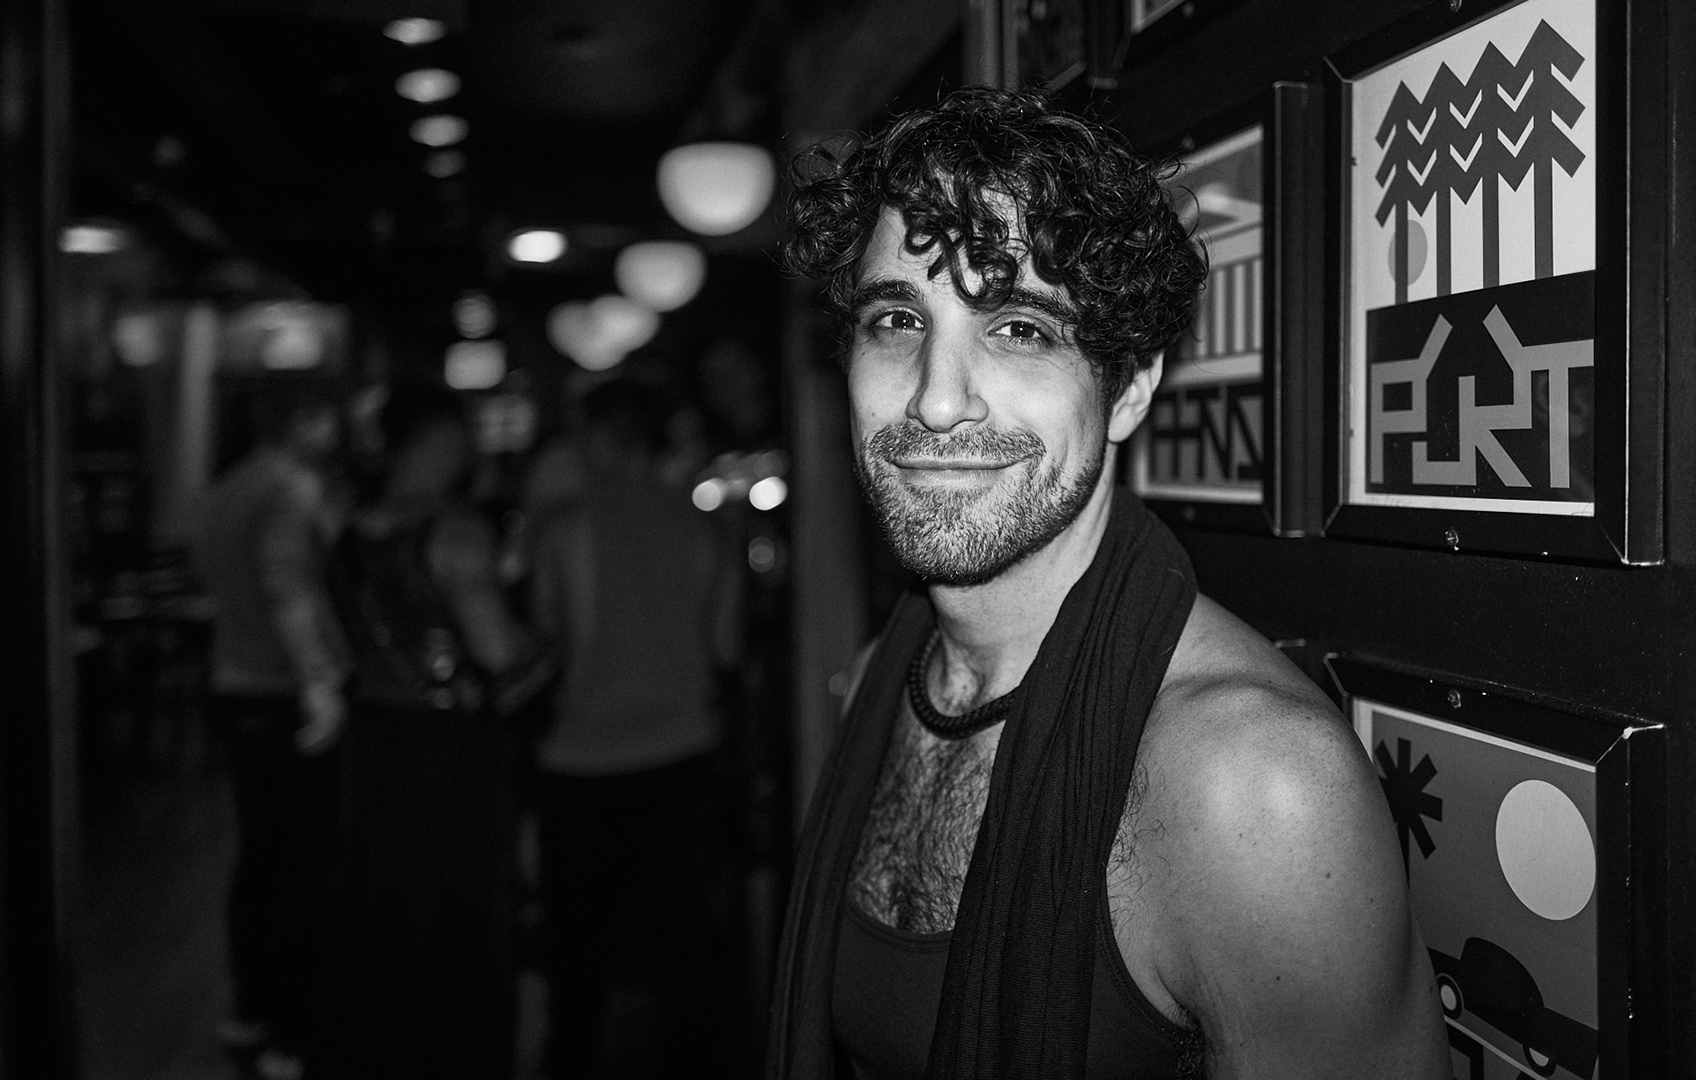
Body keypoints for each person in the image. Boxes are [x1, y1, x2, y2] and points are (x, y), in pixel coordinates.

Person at [768, 88, 1448, 1079]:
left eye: (1019, 329)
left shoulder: (1254, 786)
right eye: (897, 319)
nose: (937, 400)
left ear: (1128, 388)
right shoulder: (881, 679)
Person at [319, 384, 548, 1080]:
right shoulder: (455, 532)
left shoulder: (348, 530)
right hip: (450, 754)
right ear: (439, 443)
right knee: (462, 928)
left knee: (383, 924)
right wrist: (551, 648)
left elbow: (341, 648)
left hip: (373, 743)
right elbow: (500, 652)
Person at [527, 379, 744, 1078]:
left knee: (578, 949)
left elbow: (550, 638)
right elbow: (726, 648)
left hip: (582, 756)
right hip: (683, 750)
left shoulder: (563, 526)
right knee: (685, 943)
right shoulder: (706, 527)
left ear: (602, 439)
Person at [194, 389, 349, 1079]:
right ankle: (293, 1031)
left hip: (233, 681)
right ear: (304, 421)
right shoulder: (291, 487)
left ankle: (250, 1008)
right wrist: (319, 684)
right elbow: (288, 586)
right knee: (302, 864)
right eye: (330, 420)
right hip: (282, 691)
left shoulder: (227, 487)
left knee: (260, 858)